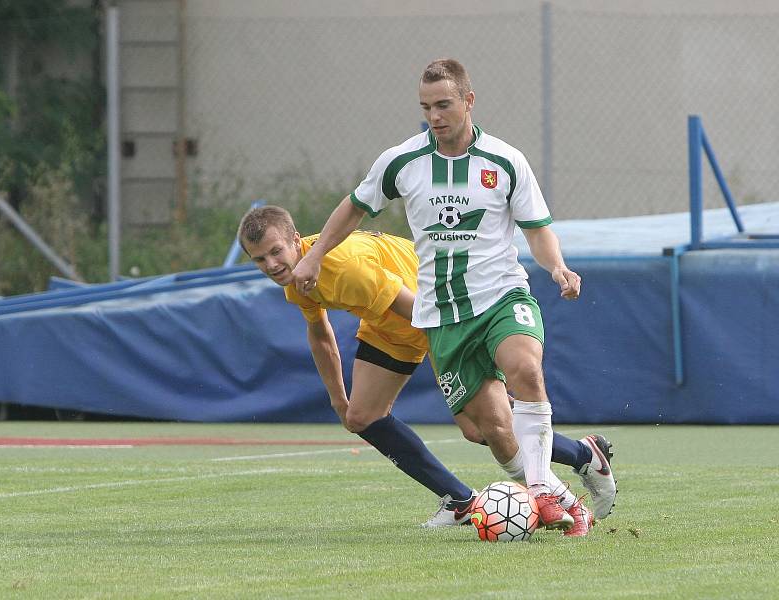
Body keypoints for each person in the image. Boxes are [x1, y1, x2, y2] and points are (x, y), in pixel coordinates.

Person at [291, 58, 605, 535]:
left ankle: (539, 491)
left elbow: (538, 231)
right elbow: (353, 207)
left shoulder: (504, 161)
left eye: (443, 105)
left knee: (525, 369)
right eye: (425, 107)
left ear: (468, 101)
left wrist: (557, 267)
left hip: (501, 295)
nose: (434, 116)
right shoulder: (402, 161)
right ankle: (570, 489)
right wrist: (313, 257)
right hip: (443, 314)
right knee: (489, 431)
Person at [239, 206, 616, 536]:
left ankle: (582, 456)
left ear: (294, 239)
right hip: (390, 321)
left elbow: (422, 313)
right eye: (260, 259)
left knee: (479, 426)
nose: (272, 265)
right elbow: (320, 334)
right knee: (362, 416)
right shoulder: (297, 279)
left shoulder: (344, 268)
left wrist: (467, 376)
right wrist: (339, 399)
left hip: (436, 310)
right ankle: (461, 501)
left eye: (276, 251)